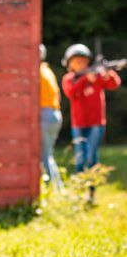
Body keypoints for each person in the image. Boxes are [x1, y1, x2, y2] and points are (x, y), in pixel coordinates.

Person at [61, 43, 121, 203]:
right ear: (69, 64)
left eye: (84, 61)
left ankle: (91, 194)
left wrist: (108, 74)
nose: (81, 64)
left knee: (92, 158)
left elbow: (114, 84)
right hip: (79, 125)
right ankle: (80, 191)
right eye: (77, 61)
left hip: (96, 123)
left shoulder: (97, 78)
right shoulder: (68, 79)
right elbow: (72, 93)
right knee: (80, 159)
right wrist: (85, 80)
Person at [39, 44, 64, 190]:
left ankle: (51, 190)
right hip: (55, 113)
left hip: (46, 114)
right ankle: (59, 188)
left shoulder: (38, 73)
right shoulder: (47, 70)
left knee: (44, 155)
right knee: (48, 154)